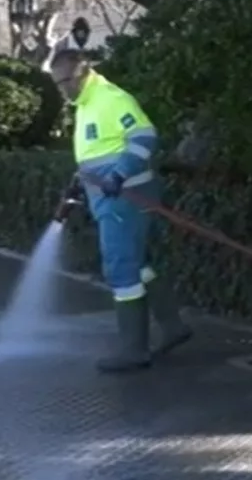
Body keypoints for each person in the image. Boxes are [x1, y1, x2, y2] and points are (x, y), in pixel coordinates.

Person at [47, 47, 193, 372]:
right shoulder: (85, 104)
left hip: (125, 197)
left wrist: (119, 174)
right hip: (112, 198)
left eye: (65, 80)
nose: (62, 88)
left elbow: (144, 135)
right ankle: (172, 326)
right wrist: (80, 181)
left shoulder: (111, 99)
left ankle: (133, 350)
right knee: (138, 263)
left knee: (121, 268)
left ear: (83, 71)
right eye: (57, 83)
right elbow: (97, 148)